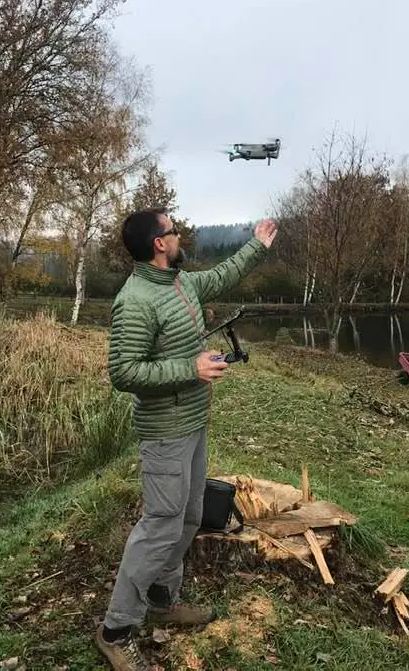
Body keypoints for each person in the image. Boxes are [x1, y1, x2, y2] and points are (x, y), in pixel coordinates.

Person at [95, 207, 278, 670]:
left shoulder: (179, 282)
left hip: (194, 423)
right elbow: (123, 372)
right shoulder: (135, 299)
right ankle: (116, 629)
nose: (180, 235)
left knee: (190, 515)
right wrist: (190, 368)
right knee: (160, 525)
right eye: (174, 230)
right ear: (160, 243)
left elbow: (223, 275)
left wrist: (258, 244)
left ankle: (162, 597)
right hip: (164, 433)